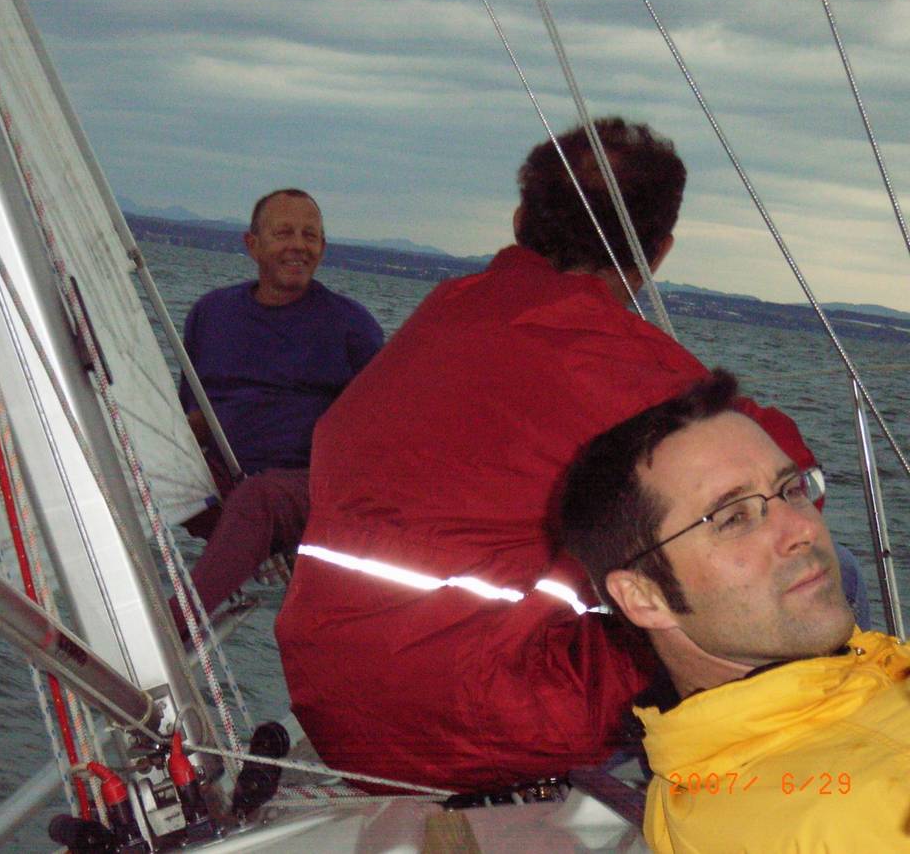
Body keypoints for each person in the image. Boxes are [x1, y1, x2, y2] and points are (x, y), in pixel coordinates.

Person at [275, 118, 866, 794]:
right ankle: (796, 799)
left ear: (519, 221)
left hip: (334, 709)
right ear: (657, 253)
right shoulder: (610, 356)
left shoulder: (440, 317)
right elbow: (784, 481)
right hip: (482, 724)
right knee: (819, 569)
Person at [559, 369, 908, 852]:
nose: (803, 529)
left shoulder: (694, 783)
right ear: (644, 596)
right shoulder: (859, 814)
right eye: (733, 518)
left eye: (792, 490)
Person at [172, 189, 383, 628]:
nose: (298, 245)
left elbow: (379, 436)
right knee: (137, 460)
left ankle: (176, 624)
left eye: (310, 235)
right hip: (227, 481)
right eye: (284, 233)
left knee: (260, 498)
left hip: (305, 488)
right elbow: (194, 416)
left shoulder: (351, 326)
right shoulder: (212, 314)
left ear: (323, 248)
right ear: (252, 244)